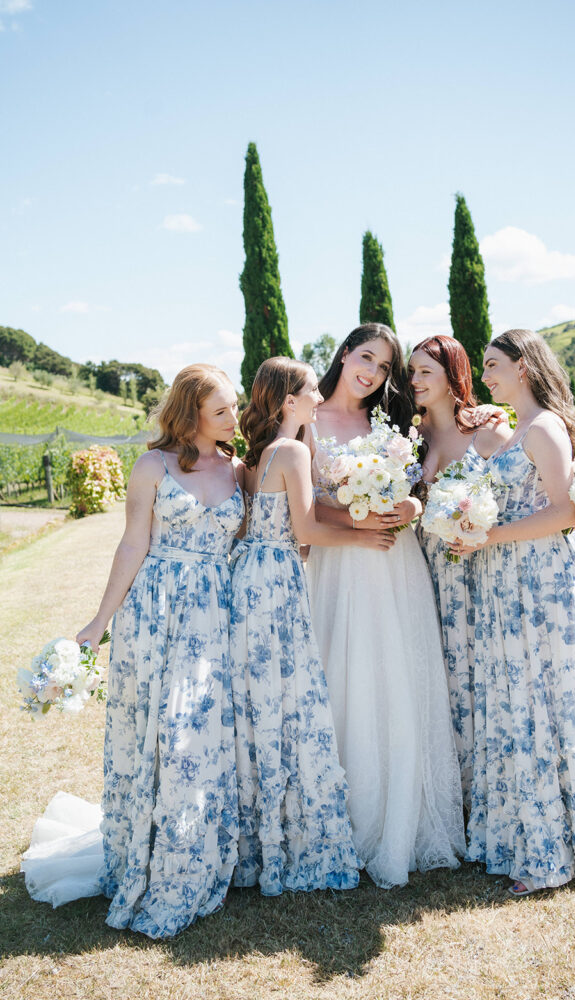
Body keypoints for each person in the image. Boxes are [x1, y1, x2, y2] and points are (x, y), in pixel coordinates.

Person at [22, 364, 246, 937]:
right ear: (190, 411)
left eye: (234, 406)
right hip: (154, 611)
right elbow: (132, 543)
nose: (232, 417)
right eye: (220, 409)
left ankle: (188, 855)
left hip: (215, 616)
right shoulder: (152, 465)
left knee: (191, 732)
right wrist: (99, 622)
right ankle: (142, 851)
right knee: (148, 732)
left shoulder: (241, 470)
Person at [453, 330, 575, 896]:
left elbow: (566, 514)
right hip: (508, 580)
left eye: (493, 365)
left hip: (541, 581)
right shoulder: (518, 428)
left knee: (549, 702)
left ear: (525, 366)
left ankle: (558, 847)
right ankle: (530, 834)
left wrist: (488, 537)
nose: (485, 374)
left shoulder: (546, 428)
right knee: (519, 703)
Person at [305, 323, 466, 889]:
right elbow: (299, 506)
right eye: (365, 357)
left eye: (383, 366)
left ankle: (404, 813)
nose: (371, 372)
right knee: (344, 676)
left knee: (397, 674)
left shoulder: (394, 423)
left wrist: (409, 508)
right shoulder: (307, 417)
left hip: (395, 564)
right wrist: (354, 518)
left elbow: (418, 488)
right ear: (345, 353)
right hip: (338, 566)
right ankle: (343, 817)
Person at [229, 357, 394, 896]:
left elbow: (287, 516)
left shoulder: (254, 456)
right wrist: (364, 538)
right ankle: (293, 830)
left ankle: (259, 828)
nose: (320, 399)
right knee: (291, 696)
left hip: (248, 577)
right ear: (288, 401)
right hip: (277, 577)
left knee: (261, 699)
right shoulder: (294, 451)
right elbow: (307, 528)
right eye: (309, 393)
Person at [409, 335, 512, 812]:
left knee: (482, 676)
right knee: (440, 679)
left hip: (481, 573)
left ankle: (489, 792)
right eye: (411, 372)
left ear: (453, 376)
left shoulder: (487, 431)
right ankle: (452, 797)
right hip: (424, 570)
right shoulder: (410, 436)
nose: (414, 380)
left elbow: (520, 494)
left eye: (425, 371)